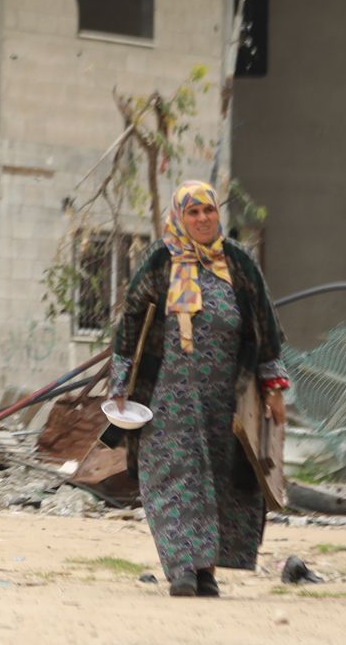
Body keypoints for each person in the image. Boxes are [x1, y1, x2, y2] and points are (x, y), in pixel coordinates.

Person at [107, 180, 288, 598]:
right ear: (180, 217)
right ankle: (182, 569)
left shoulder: (238, 262)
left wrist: (273, 387)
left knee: (223, 480)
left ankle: (206, 571)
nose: (203, 219)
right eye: (193, 213)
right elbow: (131, 322)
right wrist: (121, 384)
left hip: (227, 397)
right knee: (174, 477)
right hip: (168, 395)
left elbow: (265, 323)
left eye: (208, 211)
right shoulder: (160, 261)